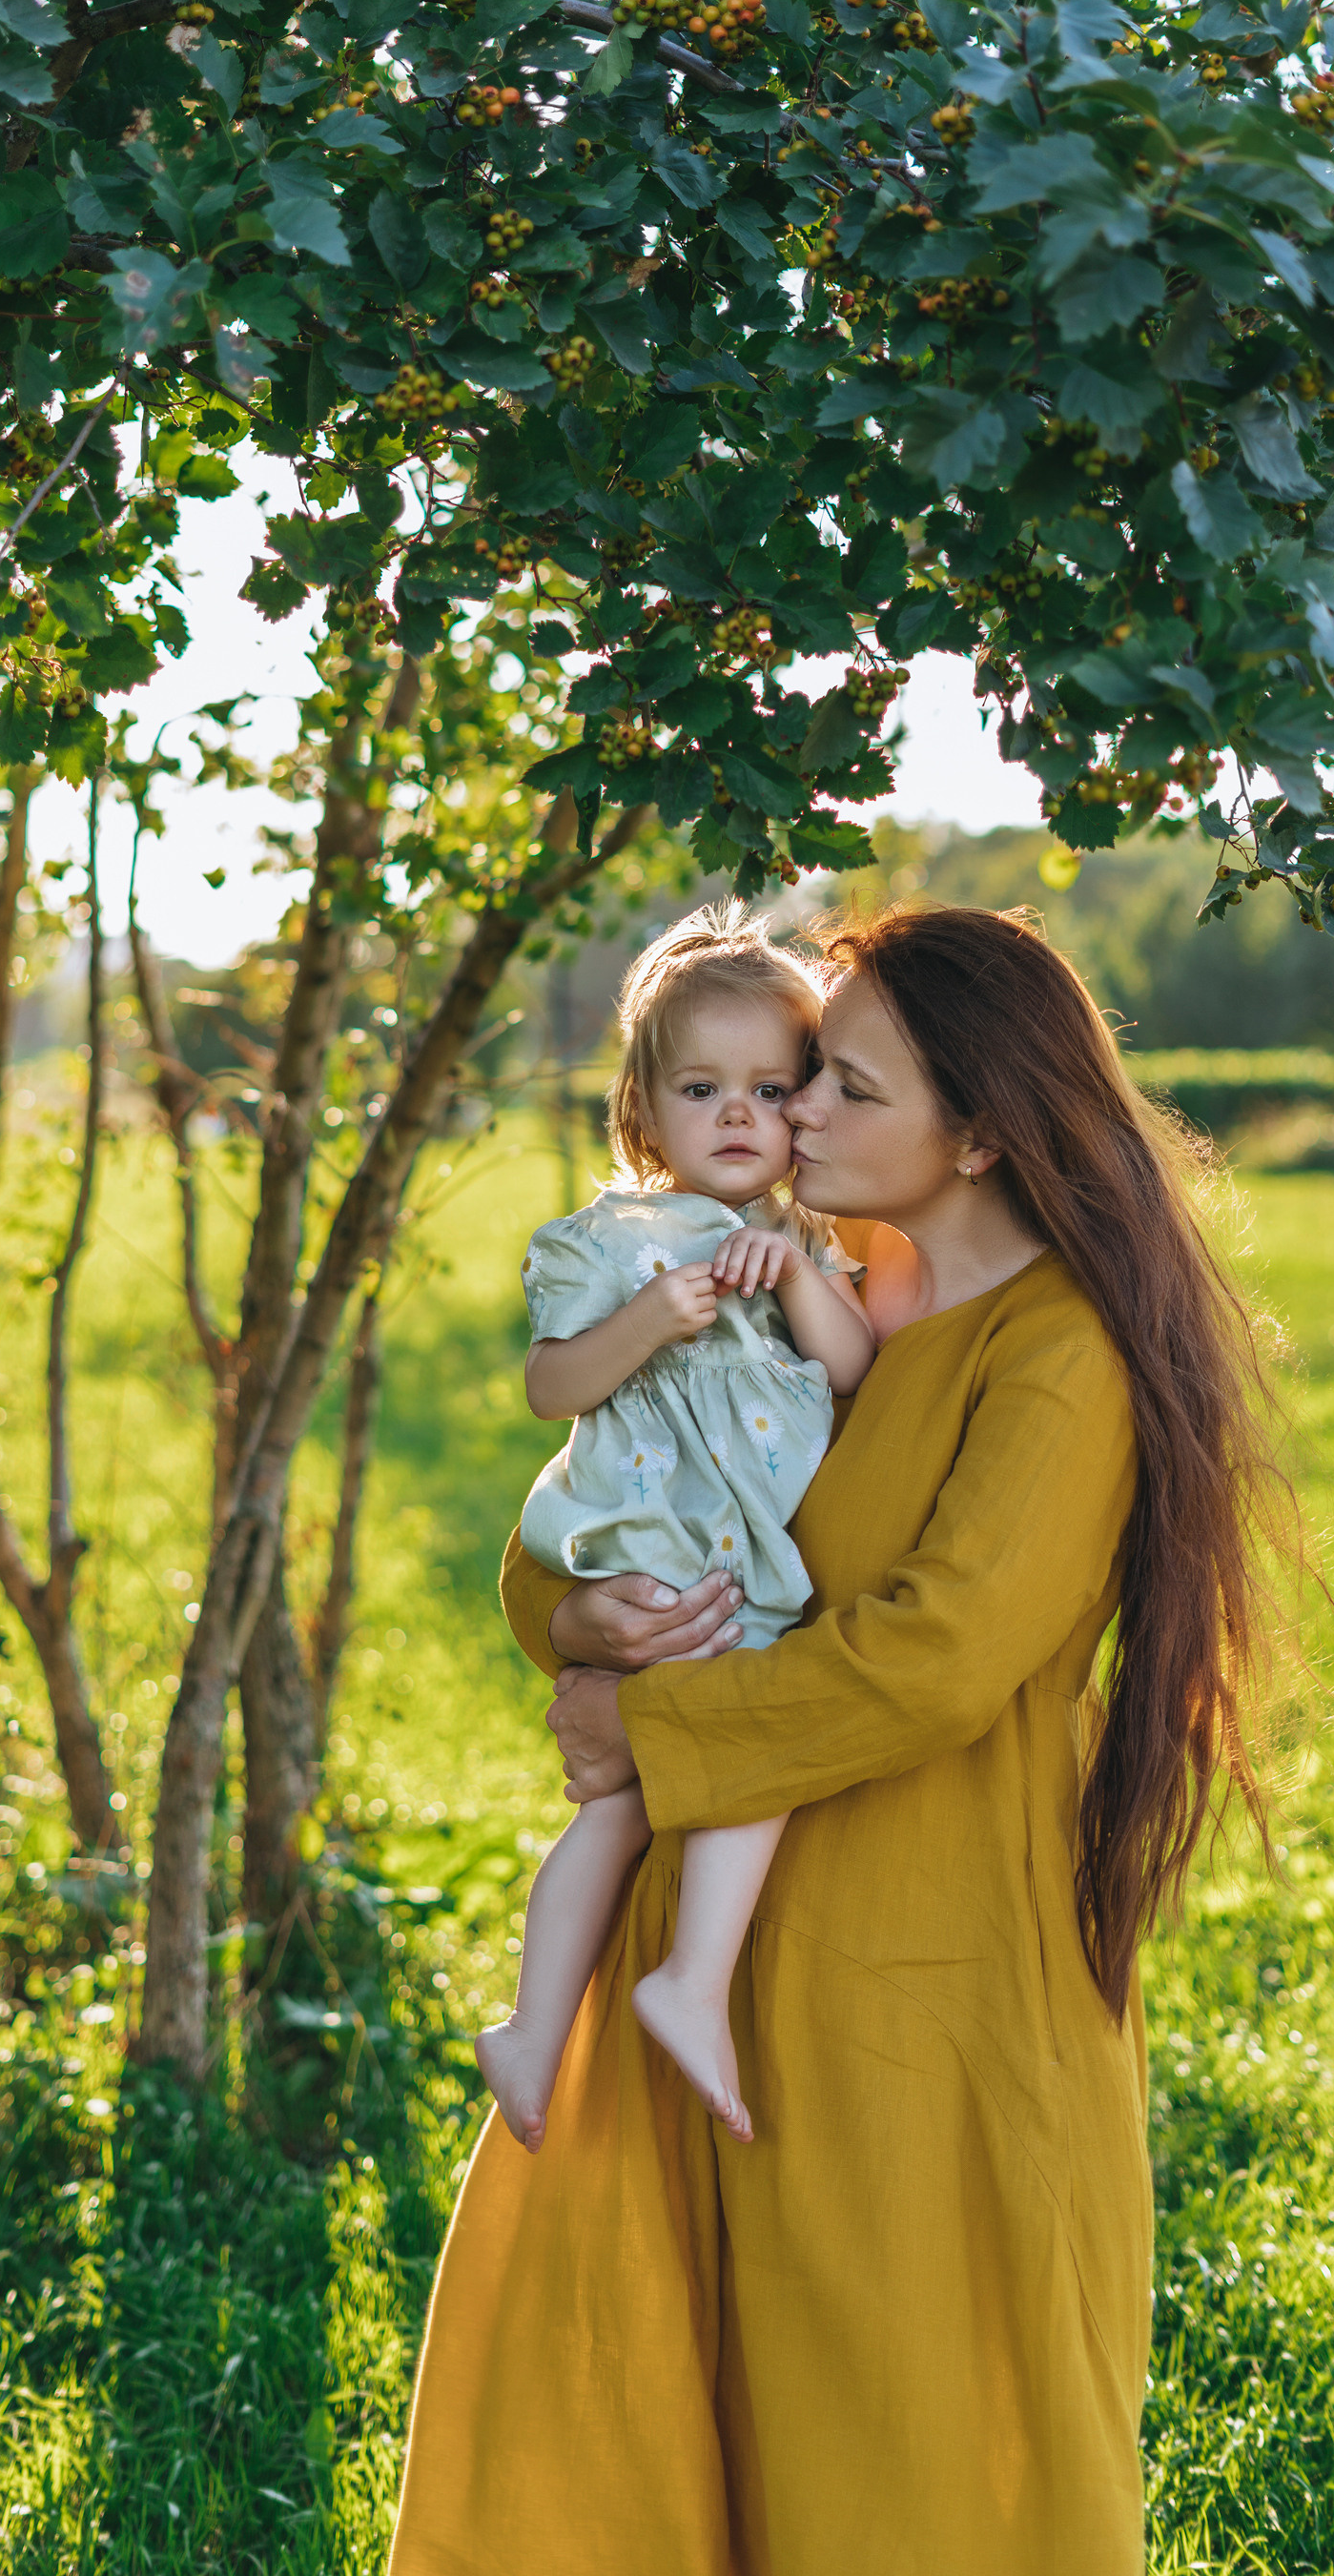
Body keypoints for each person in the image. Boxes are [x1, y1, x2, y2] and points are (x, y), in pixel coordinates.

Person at [390, 901, 1284, 2576]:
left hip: (916, 1993)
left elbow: (929, 1664)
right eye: (801, 1076)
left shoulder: (1057, 1356)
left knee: (899, 2464)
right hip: (706, 1974)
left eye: (841, 1087)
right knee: (669, 2455)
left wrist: (643, 1718)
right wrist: (577, 1624)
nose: (792, 1114)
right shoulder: (806, 1279)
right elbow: (593, 1503)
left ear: (982, 1132)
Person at [477, 903, 875, 2152]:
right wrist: (649, 1318)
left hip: (740, 1555)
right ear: (645, 1113)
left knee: (629, 1800)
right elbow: (551, 1388)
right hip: (664, 1547)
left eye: (771, 1088)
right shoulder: (609, 1242)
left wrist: (799, 1277)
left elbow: (855, 1370)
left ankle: (540, 2030)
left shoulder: (805, 1243)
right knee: (737, 1754)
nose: (739, 1116)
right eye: (703, 1090)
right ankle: (681, 1987)